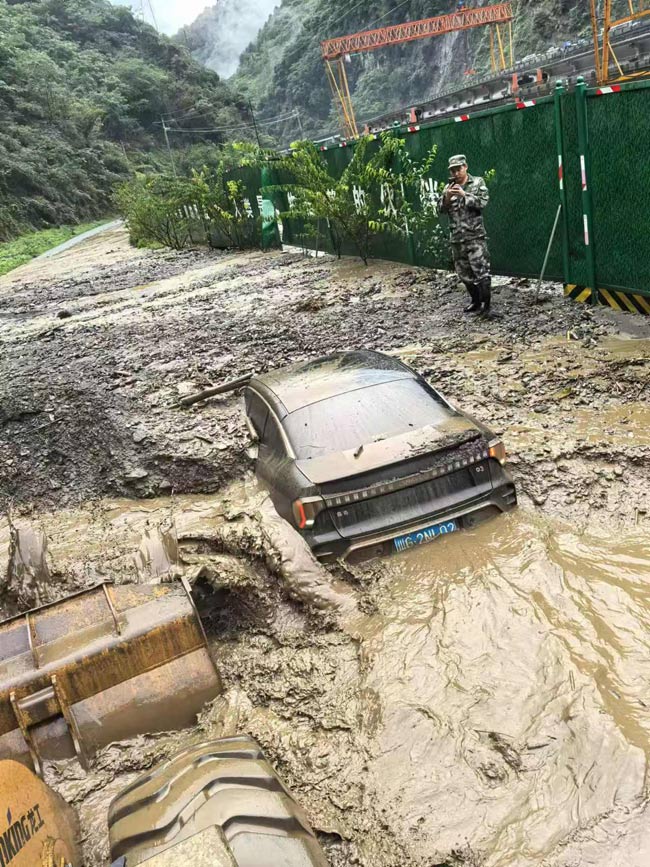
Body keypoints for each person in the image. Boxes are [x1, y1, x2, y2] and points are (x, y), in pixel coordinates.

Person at [437, 154, 492, 316]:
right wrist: (447, 197)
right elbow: (440, 210)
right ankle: (475, 301)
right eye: (453, 170)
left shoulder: (477, 183)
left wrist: (464, 194)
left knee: (482, 272)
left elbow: (483, 202)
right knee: (464, 275)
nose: (456, 173)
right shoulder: (448, 187)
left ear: (465, 167)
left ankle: (487, 307)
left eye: (458, 169)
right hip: (457, 238)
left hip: (475, 237)